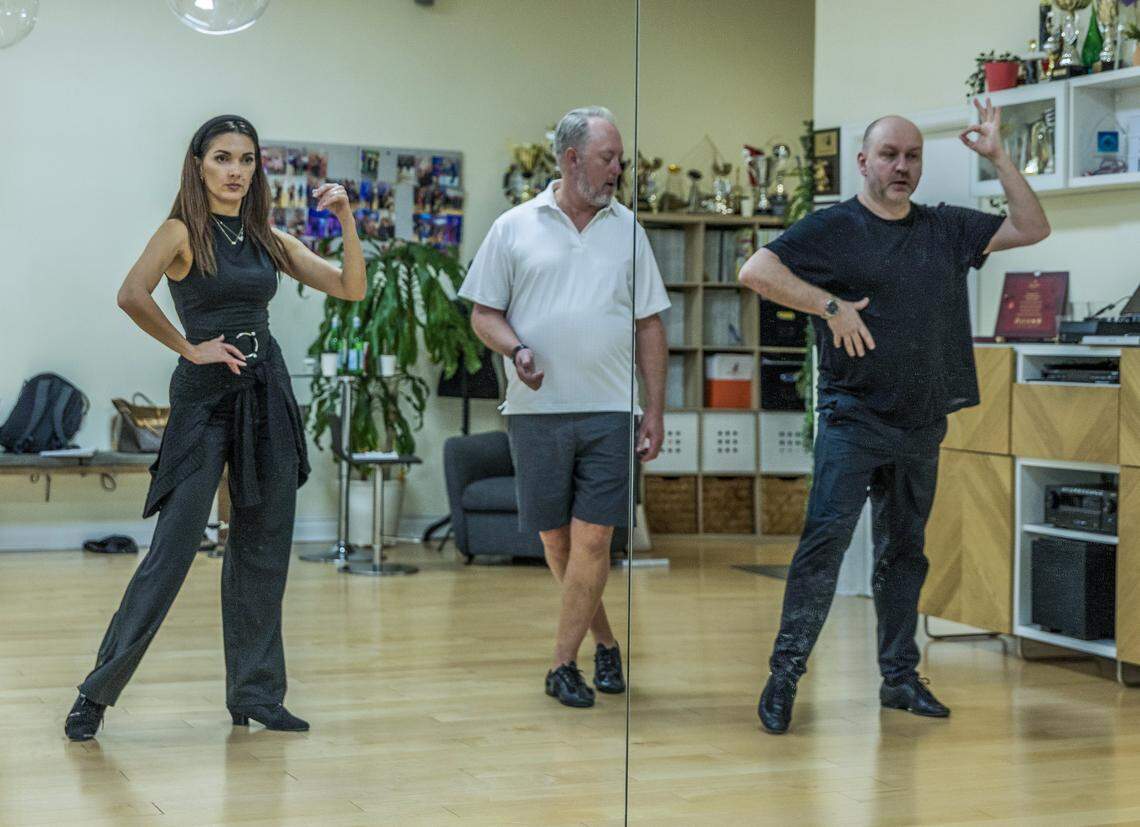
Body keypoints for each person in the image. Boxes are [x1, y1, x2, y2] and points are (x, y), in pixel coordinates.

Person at [740, 101, 1050, 734]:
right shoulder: (834, 228)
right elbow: (757, 270)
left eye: (912, 156)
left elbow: (1032, 227)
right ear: (864, 161)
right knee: (823, 549)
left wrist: (999, 157)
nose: (901, 166)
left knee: (905, 553)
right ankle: (784, 676)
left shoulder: (945, 228)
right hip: (853, 418)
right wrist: (829, 306)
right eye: (889, 155)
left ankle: (899, 679)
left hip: (921, 420)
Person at [64, 115, 367, 741]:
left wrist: (345, 220)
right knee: (173, 550)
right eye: (223, 158)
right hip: (204, 399)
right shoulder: (181, 231)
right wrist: (190, 346)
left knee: (263, 546)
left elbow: (350, 288)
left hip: (267, 391)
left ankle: (255, 694)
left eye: (247, 160)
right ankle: (97, 693)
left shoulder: (267, 238)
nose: (235, 171)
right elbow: (132, 294)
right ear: (198, 163)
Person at [459, 106, 669, 708]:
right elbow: (483, 314)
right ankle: (604, 641)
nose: (617, 173)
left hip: (611, 409)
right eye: (608, 160)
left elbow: (650, 325)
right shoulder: (514, 227)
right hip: (535, 410)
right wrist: (517, 349)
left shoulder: (629, 228)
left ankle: (561, 665)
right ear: (571, 159)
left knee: (595, 541)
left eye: (620, 161)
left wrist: (653, 411)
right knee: (557, 542)